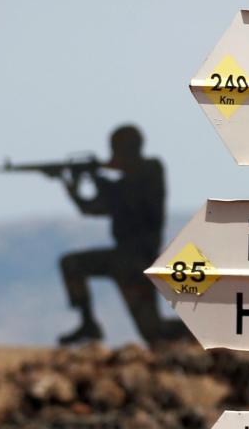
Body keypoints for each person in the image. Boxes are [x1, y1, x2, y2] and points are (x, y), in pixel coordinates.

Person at [57, 124, 170, 347]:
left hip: (136, 262)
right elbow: (96, 208)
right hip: (124, 260)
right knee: (71, 265)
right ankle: (88, 324)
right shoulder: (127, 181)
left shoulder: (150, 172)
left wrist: (98, 179)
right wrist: (74, 192)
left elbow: (124, 196)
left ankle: (203, 337)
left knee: (154, 334)